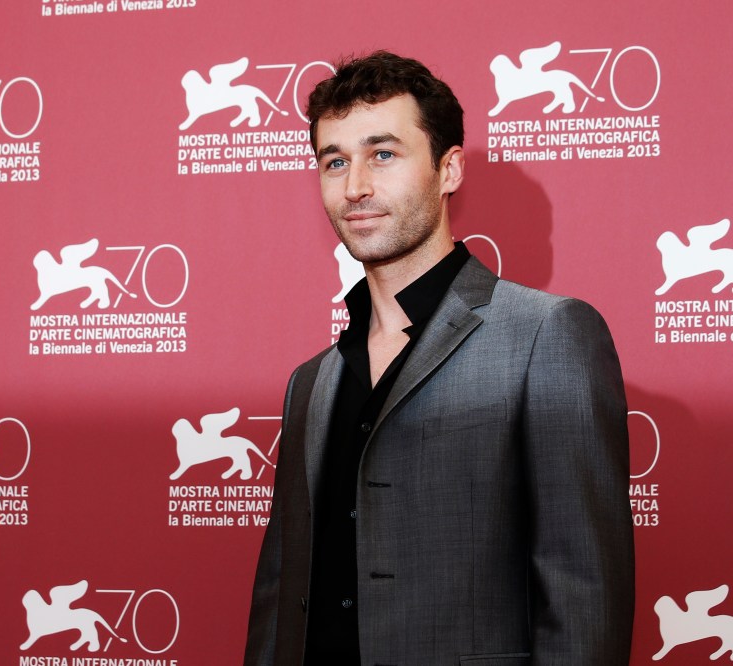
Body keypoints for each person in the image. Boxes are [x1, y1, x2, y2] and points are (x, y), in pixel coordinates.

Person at [243, 51, 634, 665]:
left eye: (384, 154)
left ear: (448, 169)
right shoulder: (311, 382)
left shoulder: (547, 336)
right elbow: (280, 591)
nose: (356, 186)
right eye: (335, 161)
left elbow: (583, 596)